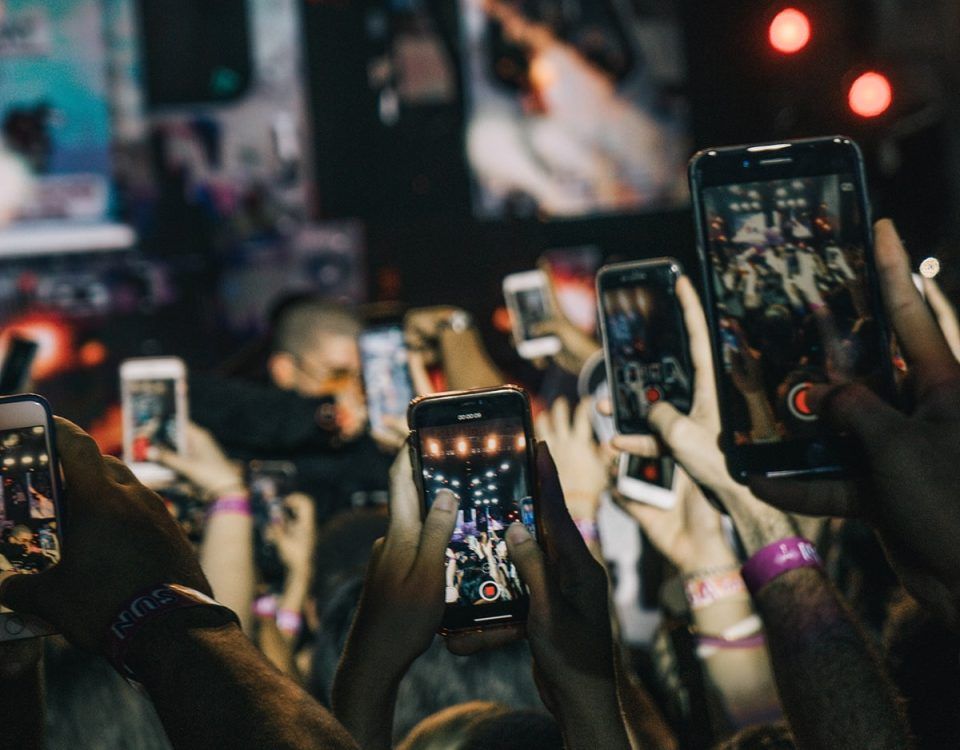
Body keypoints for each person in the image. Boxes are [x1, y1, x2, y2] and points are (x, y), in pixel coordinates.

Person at [0, 417, 359, 749]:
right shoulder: (202, 708)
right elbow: (222, 666)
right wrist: (156, 609)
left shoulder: (43, 714)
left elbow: (220, 652)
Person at [189, 296, 393, 522]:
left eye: (361, 378)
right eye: (337, 376)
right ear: (284, 370)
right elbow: (209, 400)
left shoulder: (368, 440)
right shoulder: (243, 415)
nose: (352, 391)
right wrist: (328, 416)